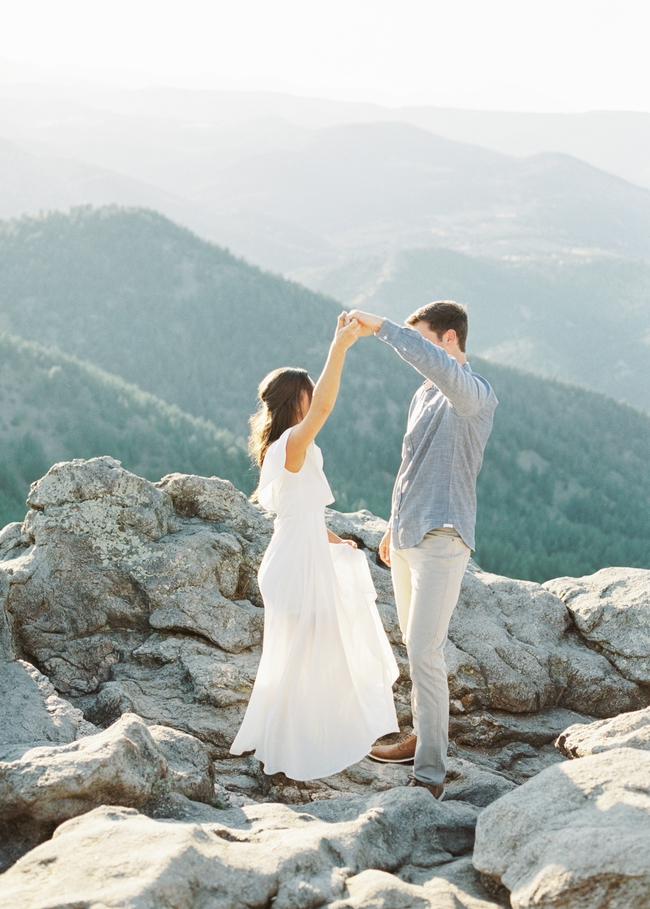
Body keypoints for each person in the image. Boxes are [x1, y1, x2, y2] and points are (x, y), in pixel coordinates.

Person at [230, 313, 399, 781]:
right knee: (309, 652)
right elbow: (325, 408)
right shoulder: (290, 443)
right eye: (309, 393)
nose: (314, 400)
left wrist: (334, 541)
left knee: (304, 653)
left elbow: (302, 514)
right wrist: (339, 347)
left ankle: (291, 743)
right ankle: (294, 750)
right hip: (294, 564)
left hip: (298, 554)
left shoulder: (280, 448)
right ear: (298, 401)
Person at [347, 301, 498, 800]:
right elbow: (408, 465)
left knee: (425, 649)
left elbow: (434, 364)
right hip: (410, 535)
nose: (417, 353)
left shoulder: (472, 394)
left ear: (450, 338)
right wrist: (393, 525)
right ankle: (420, 736)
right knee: (414, 647)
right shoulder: (422, 396)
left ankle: (431, 773)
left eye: (424, 339)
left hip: (444, 538)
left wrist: (385, 329)